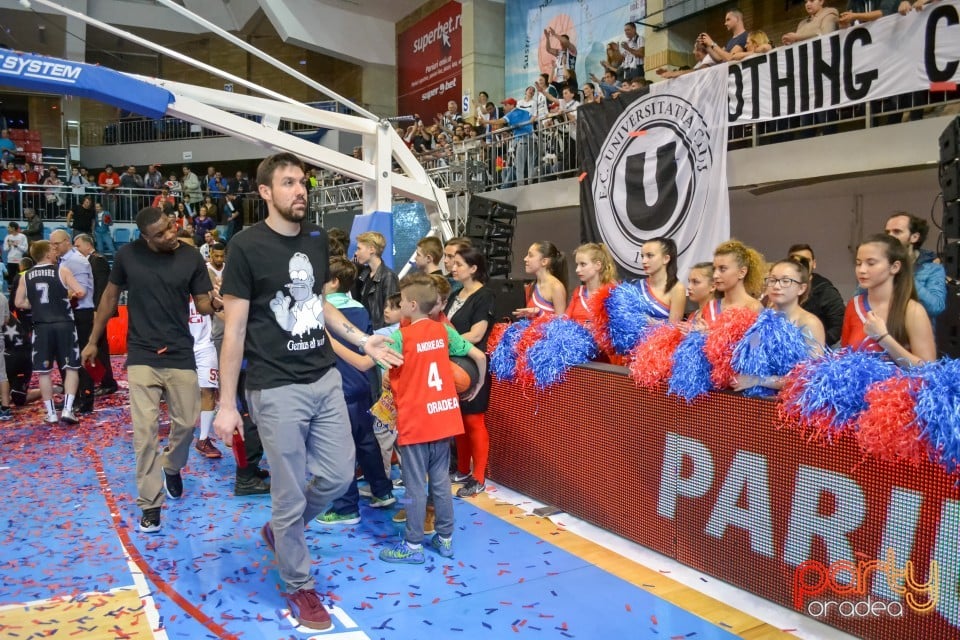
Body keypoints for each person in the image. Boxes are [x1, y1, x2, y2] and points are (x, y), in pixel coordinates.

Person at [212, 152, 400, 631]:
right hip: (276, 388)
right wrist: (227, 404)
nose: (300, 190)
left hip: (323, 377)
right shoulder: (245, 247)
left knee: (337, 477)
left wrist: (361, 339)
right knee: (289, 490)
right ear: (265, 192)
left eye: (303, 182)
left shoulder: (315, 239)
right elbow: (234, 331)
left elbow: (318, 304)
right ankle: (299, 584)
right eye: (288, 183)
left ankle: (283, 529)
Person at [81, 207, 218, 534]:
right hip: (142, 355)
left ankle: (171, 465)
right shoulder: (127, 256)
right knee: (145, 435)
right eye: (161, 233)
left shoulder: (190, 257)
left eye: (171, 227)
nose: (170, 234)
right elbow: (109, 298)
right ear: (145, 237)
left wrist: (217, 303)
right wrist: (92, 340)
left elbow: (202, 303)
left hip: (180, 353)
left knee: (187, 424)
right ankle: (150, 505)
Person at [378, 275, 485, 564]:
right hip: (444, 416)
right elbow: (478, 356)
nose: (399, 305)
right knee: (440, 481)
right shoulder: (444, 331)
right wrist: (476, 385)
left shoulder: (400, 337)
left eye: (402, 301)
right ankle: (445, 538)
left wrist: (385, 373)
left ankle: (413, 545)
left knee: (414, 485)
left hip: (416, 420)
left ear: (413, 305)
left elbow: (378, 366)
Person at [316, 257, 396, 524]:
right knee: (366, 441)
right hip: (361, 383)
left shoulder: (318, 311)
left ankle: (345, 506)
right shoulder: (360, 309)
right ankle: (382, 491)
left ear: (333, 281)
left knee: (338, 449)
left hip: (336, 385)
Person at [444, 246, 496, 497]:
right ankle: (462, 469)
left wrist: (445, 342)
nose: (453, 268)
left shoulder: (484, 295)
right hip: (453, 363)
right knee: (459, 421)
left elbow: (476, 334)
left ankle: (479, 477)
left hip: (473, 365)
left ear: (474, 268)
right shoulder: (455, 295)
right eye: (452, 263)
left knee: (474, 420)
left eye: (458, 264)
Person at [732, 257, 826, 393]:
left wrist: (759, 380)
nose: (777, 286)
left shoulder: (809, 323)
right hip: (755, 399)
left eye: (786, 281)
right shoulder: (761, 319)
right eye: (772, 280)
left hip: (790, 403)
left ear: (801, 288)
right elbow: (746, 359)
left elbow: (810, 377)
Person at [15, 240, 84, 425]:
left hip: (41, 326)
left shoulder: (25, 276)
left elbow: (18, 303)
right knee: (71, 367)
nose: (56, 252)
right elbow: (80, 291)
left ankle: (51, 413)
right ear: (46, 254)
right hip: (64, 324)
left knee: (44, 372)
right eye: (53, 250)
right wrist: (67, 296)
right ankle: (68, 409)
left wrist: (36, 305)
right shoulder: (62, 270)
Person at [842, 234, 936, 367]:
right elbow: (844, 358)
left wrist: (883, 338)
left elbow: (927, 369)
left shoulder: (913, 310)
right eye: (858, 263)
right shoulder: (854, 305)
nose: (861, 270)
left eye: (871, 263)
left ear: (895, 267)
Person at [50, 229, 97, 414]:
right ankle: (73, 397)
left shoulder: (76, 261)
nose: (53, 247)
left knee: (81, 357)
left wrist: (57, 294)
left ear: (67, 242)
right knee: (68, 357)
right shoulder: (63, 261)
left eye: (56, 243)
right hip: (70, 313)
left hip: (80, 313)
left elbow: (81, 291)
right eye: (51, 244)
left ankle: (85, 398)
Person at [73, 234, 117, 395]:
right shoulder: (86, 262)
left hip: (97, 311)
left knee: (100, 347)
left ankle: (108, 382)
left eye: (78, 246)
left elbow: (102, 288)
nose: (76, 249)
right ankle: (101, 380)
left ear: (88, 245)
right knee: (95, 346)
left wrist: (97, 311)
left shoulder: (98, 261)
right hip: (91, 310)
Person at [883, 212, 946, 323]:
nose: (890, 236)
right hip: (879, 329)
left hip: (916, 330)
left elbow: (936, 307)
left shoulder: (933, 268)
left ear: (914, 237)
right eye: (887, 232)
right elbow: (858, 302)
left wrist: (904, 274)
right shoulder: (880, 264)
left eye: (897, 231)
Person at [787, 243, 845, 346]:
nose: (800, 265)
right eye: (794, 262)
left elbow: (838, 326)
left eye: (805, 261)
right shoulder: (783, 287)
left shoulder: (826, 290)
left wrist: (816, 345)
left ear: (814, 264)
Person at [702, 239, 766, 326]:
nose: (715, 275)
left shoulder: (754, 308)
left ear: (742, 272)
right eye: (714, 269)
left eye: (722, 269)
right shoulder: (710, 307)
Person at [354, 231, 400, 331]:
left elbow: (391, 312)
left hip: (378, 333)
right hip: (365, 330)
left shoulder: (388, 276)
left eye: (359, 248)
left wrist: (380, 334)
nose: (356, 253)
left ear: (372, 249)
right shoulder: (364, 275)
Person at [565, 243, 618, 326]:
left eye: (583, 264)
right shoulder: (578, 292)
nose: (577, 270)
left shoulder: (613, 292)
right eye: (577, 264)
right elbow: (565, 321)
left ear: (598, 265)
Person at [638, 237, 686, 323]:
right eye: (642, 256)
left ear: (666, 259)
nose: (644, 261)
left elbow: (673, 327)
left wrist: (648, 321)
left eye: (650, 255)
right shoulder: (637, 285)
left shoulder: (677, 289)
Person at [515, 241, 567, 318]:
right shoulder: (532, 285)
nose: (525, 259)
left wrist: (540, 313)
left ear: (544, 261)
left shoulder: (556, 287)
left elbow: (561, 323)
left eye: (530, 255)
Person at [544, 26, 578, 95]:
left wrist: (555, 34)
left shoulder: (572, 50)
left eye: (562, 41)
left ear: (568, 42)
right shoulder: (559, 52)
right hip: (559, 81)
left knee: (570, 97)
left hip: (569, 80)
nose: (561, 43)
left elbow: (565, 41)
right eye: (560, 41)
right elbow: (548, 49)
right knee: (561, 99)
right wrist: (547, 38)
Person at [4, 222, 28, 290]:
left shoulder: (22, 236)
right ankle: (11, 291)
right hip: (10, 260)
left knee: (21, 277)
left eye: (9, 227)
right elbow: (5, 249)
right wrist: (9, 245)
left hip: (20, 260)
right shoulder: (8, 237)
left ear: (13, 228)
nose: (7, 229)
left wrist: (16, 245)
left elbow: (25, 249)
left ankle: (22, 290)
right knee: (10, 278)